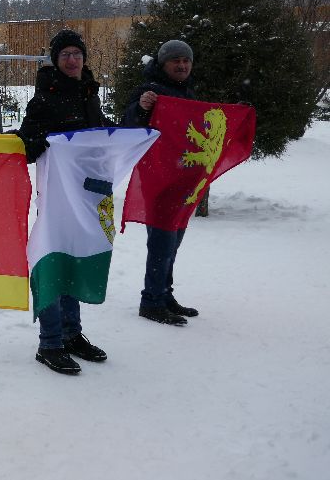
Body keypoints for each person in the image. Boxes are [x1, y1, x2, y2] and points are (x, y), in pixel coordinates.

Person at [18, 29, 114, 375]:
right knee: (54, 261)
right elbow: (28, 146)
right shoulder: (44, 99)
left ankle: (72, 334)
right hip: (58, 198)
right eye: (65, 55)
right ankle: (51, 341)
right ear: (56, 62)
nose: (72, 60)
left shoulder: (90, 93)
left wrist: (135, 130)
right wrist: (42, 140)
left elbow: (98, 134)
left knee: (77, 259)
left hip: (89, 195)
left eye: (77, 54)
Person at [122, 39, 199, 326]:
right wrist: (141, 108)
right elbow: (128, 124)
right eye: (175, 60)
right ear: (163, 64)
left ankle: (164, 294)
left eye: (186, 61)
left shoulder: (188, 93)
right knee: (162, 242)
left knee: (174, 241)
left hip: (183, 180)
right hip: (159, 179)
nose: (182, 65)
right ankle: (151, 300)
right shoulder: (150, 91)